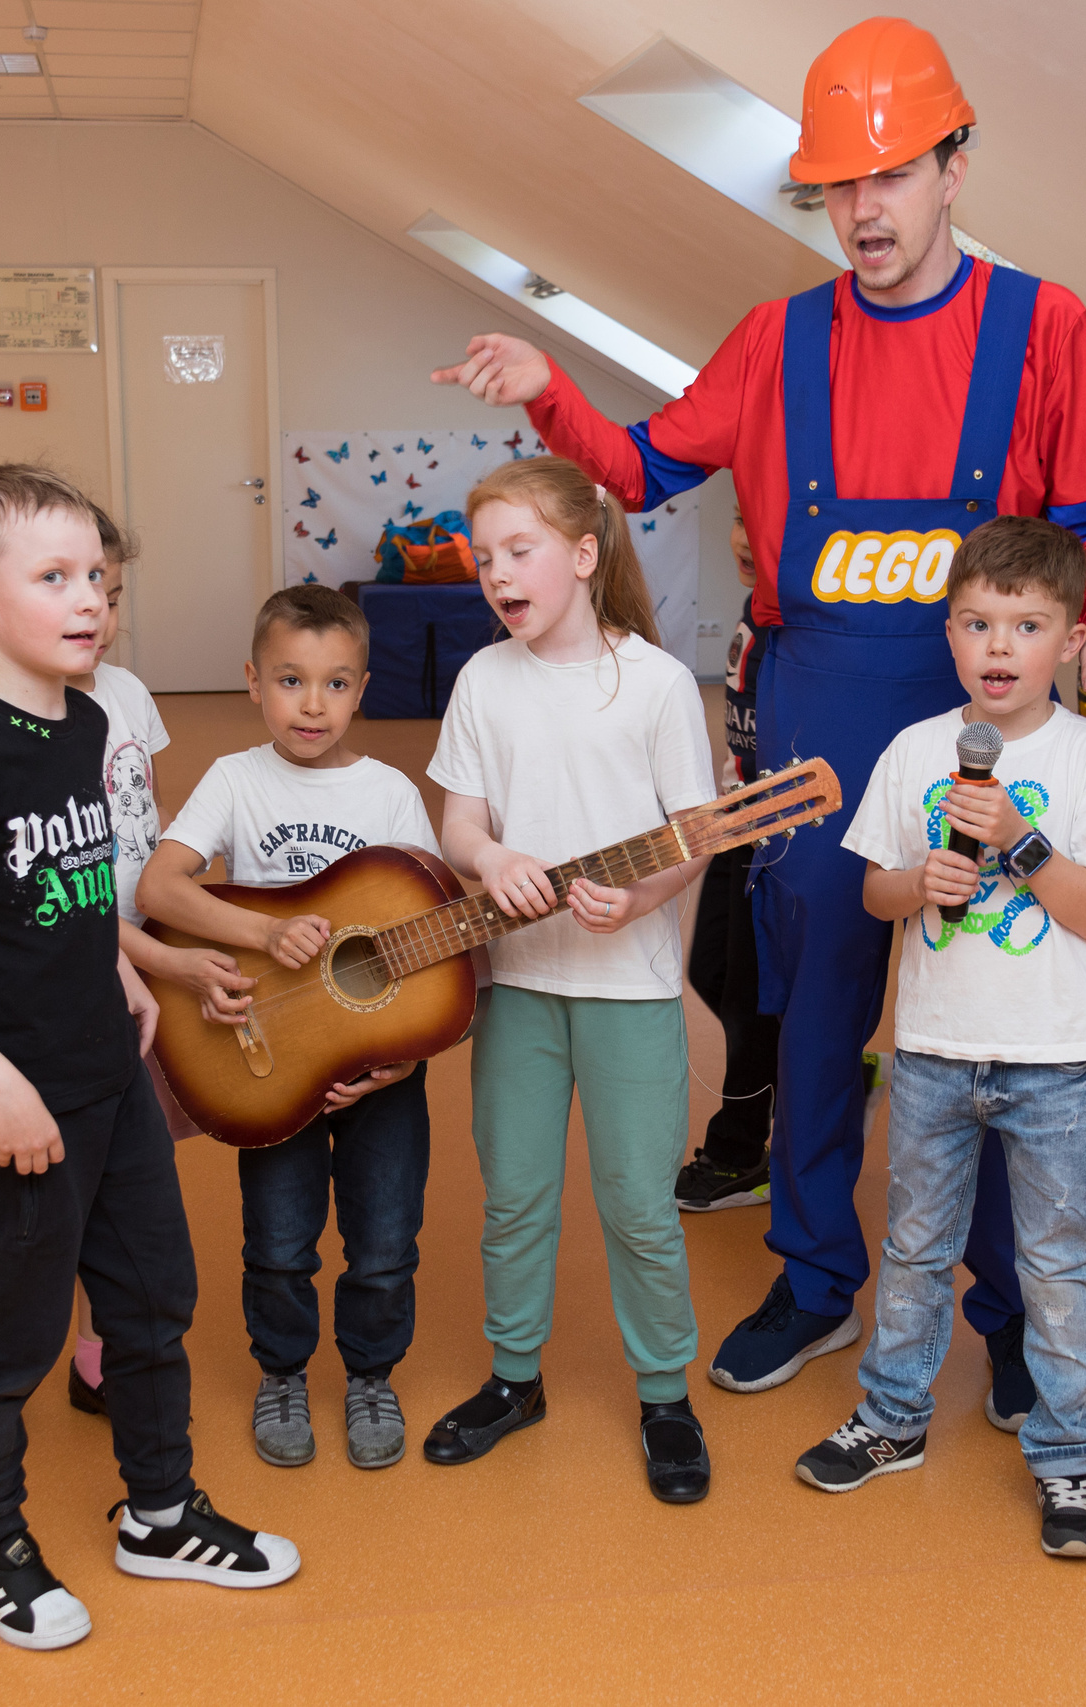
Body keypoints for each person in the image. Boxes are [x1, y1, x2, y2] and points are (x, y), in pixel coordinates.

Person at [432, 18, 1086, 1408]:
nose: (861, 210)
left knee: (990, 1012)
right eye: (837, 183)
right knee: (815, 1012)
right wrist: (553, 393)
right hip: (819, 717)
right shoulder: (777, 340)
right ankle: (819, 1274)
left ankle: (1002, 1314)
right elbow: (639, 470)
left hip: (982, 718)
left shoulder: (1044, 324)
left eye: (889, 175)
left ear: (956, 165)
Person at [0, 464, 297, 1653]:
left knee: (154, 1301)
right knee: (8, 1338)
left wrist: (121, 964)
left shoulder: (91, 720)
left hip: (113, 1076)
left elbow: (67, 881)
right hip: (19, 1106)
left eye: (95, 574)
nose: (89, 597)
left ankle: (158, 1512)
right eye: (53, 577)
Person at [794, 517, 1086, 1559]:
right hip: (932, 1052)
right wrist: (924, 881)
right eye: (976, 623)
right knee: (914, 1246)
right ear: (948, 634)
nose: (998, 647)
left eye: (1026, 625)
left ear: (1070, 639)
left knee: (1057, 1265)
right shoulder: (917, 751)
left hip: (1051, 1063)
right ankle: (893, 1419)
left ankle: (1062, 1460)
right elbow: (872, 891)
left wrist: (1019, 839)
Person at [419, 456, 720, 1503]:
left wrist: (640, 902)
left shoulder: (657, 683)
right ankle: (514, 1380)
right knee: (516, 1199)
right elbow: (457, 816)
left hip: (629, 989)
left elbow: (692, 835)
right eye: (484, 556)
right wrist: (488, 859)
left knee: (640, 1206)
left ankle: (663, 1394)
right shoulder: (481, 680)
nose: (497, 573)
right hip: (518, 986)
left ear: (583, 557)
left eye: (520, 550)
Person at [136, 585, 442, 1474]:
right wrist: (264, 933)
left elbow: (433, 939)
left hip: (378, 1067)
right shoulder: (236, 779)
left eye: (336, 683)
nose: (313, 704)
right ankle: (282, 1372)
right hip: (270, 1057)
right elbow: (160, 889)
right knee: (277, 1241)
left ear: (363, 687)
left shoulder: (389, 795)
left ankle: (371, 1375)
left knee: (385, 1240)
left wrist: (404, 1058)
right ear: (252, 682)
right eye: (291, 680)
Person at [63, 516, 250, 1420]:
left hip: (145, 947)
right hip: (86, 966)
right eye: (69, 587)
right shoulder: (30, 718)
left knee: (137, 1159)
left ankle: (107, 1340)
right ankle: (88, 1344)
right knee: (88, 1169)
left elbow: (149, 814)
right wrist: (164, 956)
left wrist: (180, 899)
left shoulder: (129, 692)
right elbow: (75, 895)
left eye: (112, 592)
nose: (96, 612)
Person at [674, 510, 779, 1213]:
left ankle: (741, 1154)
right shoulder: (754, 605)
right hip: (736, 815)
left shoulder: (799, 618)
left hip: (779, 833)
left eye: (758, 519)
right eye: (737, 517)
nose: (743, 535)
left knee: (748, 995)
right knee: (708, 968)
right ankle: (823, 1067)